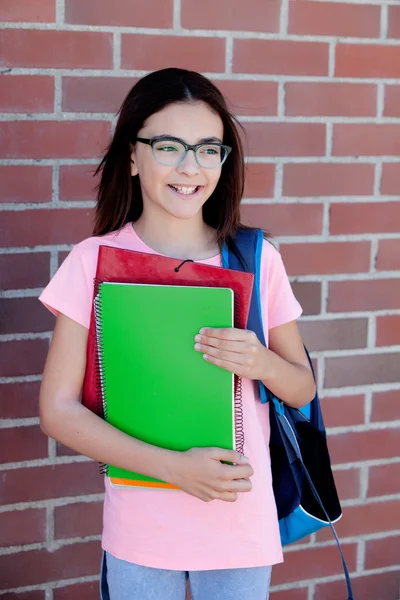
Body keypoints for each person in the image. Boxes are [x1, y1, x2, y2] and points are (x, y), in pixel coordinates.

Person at [39, 67, 316, 600]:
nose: (191, 167)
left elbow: (301, 389)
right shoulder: (92, 263)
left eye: (209, 149)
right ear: (132, 155)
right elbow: (57, 410)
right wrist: (172, 468)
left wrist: (260, 363)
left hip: (239, 519)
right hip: (142, 524)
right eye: (169, 146)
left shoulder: (258, 260)